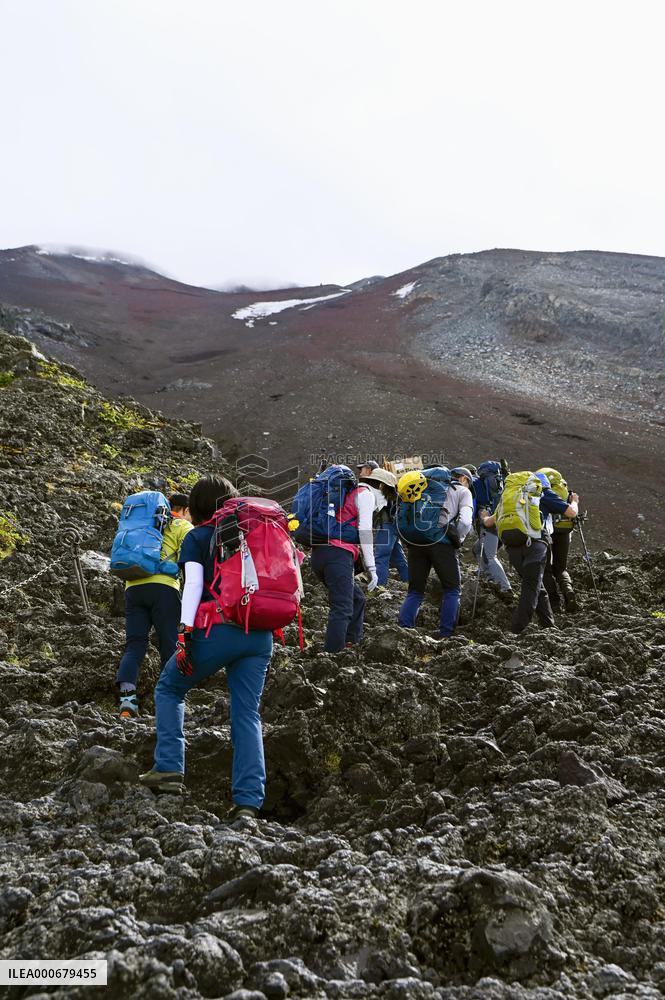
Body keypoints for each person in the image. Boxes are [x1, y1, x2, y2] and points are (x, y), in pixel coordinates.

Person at [139, 474, 273, 820]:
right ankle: (248, 803)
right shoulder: (254, 533)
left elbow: (194, 586)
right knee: (247, 714)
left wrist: (184, 635)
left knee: (169, 688)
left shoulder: (198, 536)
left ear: (196, 507)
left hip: (217, 629)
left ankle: (169, 768)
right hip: (260, 633)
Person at [115, 495, 192, 719]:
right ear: (185, 510)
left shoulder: (141, 523)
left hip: (133, 588)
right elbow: (190, 560)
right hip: (164, 589)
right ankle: (168, 702)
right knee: (169, 645)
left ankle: (127, 701)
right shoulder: (181, 525)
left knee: (134, 645)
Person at [480, 472, 578, 634]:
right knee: (531, 587)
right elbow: (571, 513)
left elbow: (489, 522)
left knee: (536, 586)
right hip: (536, 545)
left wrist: (483, 516)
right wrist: (574, 501)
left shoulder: (510, 498)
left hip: (513, 547)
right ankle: (516, 629)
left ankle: (549, 626)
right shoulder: (542, 492)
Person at [398, 467, 474, 639]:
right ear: (463, 478)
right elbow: (465, 522)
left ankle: (403, 629)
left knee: (415, 591)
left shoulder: (423, 486)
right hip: (441, 544)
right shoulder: (462, 491)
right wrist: (458, 540)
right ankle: (446, 634)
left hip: (416, 542)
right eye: (469, 483)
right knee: (452, 589)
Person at [310, 472, 382, 653]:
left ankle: (350, 643)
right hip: (338, 557)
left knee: (357, 598)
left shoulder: (343, 495)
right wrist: (372, 567)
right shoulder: (365, 494)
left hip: (319, 554)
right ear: (380, 487)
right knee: (342, 609)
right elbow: (365, 531)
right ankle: (331, 657)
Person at [536, 468, 578, 613]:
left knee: (546, 569)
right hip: (565, 530)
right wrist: (575, 501)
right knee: (560, 568)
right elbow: (572, 512)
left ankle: (554, 603)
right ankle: (568, 591)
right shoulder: (563, 489)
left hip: (546, 531)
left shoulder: (540, 491)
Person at [471, 462, 513, 599]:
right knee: (477, 549)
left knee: (490, 556)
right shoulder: (502, 483)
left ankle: (506, 588)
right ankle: (487, 577)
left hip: (489, 524)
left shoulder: (477, 484)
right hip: (502, 523)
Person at [365, 468, 409, 593]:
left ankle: (379, 587)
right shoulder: (394, 496)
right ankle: (409, 582)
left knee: (381, 558)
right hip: (393, 527)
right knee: (399, 558)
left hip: (385, 528)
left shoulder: (379, 495)